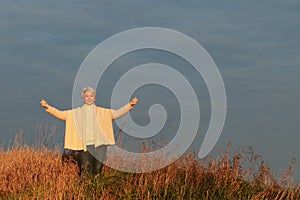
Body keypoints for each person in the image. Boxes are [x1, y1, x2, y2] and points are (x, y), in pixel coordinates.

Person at [40, 87, 138, 176]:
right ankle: (84, 192)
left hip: (100, 146)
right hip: (85, 146)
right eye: (87, 96)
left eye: (91, 96)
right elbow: (61, 114)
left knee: (97, 170)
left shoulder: (103, 112)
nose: (89, 98)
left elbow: (117, 113)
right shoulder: (76, 113)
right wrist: (47, 107)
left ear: (94, 98)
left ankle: (96, 192)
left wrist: (130, 105)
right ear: (83, 98)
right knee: (85, 170)